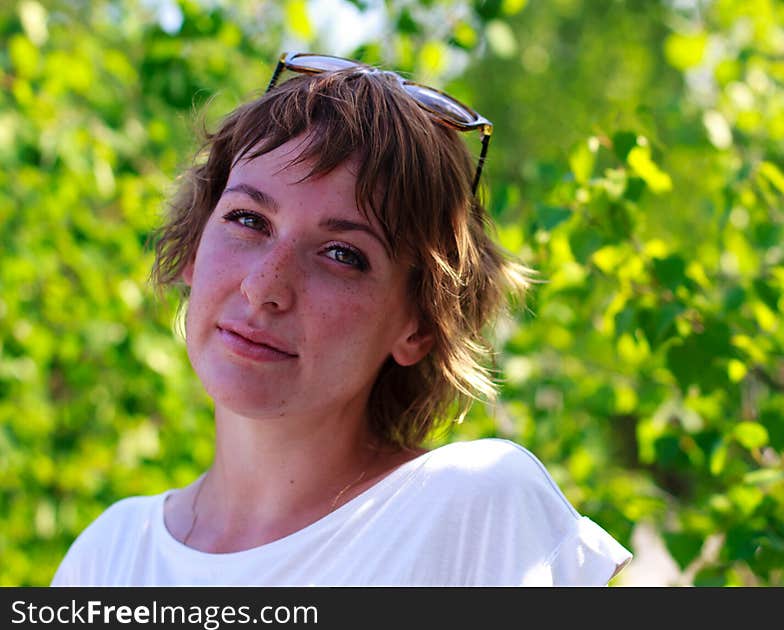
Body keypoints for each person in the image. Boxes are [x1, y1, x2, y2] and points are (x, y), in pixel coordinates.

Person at [51, 52, 632, 586]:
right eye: (249, 220)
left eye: (342, 255)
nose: (265, 287)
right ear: (192, 249)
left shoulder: (473, 506)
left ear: (419, 326)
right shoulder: (109, 557)